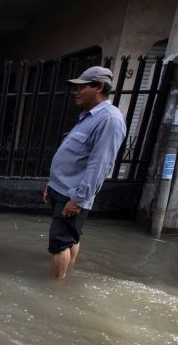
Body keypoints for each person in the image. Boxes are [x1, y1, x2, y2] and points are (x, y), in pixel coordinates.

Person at [43, 66, 126, 280]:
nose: (76, 92)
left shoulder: (110, 120)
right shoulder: (89, 117)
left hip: (73, 193)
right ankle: (67, 273)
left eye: (81, 87)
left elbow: (100, 165)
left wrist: (79, 199)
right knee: (71, 236)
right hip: (62, 188)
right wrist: (51, 185)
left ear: (98, 87)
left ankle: (56, 287)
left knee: (59, 242)